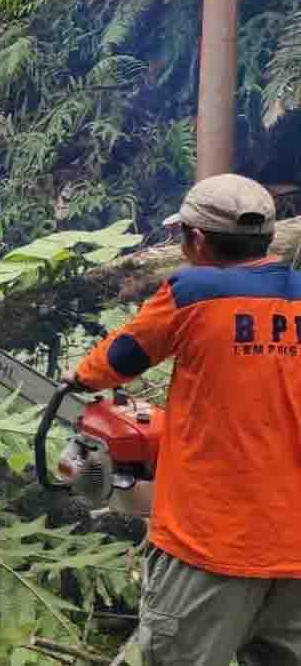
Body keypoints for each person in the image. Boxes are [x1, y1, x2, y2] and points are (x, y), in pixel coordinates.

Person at [64, 175, 301, 666]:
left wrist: (79, 377)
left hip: (211, 545)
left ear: (195, 239)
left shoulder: (191, 291)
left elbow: (122, 357)